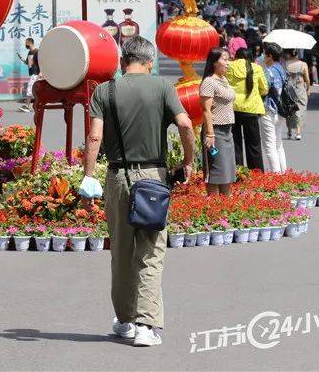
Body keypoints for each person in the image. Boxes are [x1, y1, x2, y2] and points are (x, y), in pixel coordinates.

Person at [82, 36, 195, 347]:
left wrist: (88, 177)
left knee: (120, 252)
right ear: (150, 62)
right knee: (150, 250)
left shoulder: (105, 91)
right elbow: (185, 125)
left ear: (123, 62)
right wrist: (188, 160)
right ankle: (146, 325)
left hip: (117, 176)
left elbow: (94, 138)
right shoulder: (162, 87)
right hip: (153, 178)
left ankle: (126, 321)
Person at [199, 48, 237, 195]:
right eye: (225, 59)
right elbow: (206, 110)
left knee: (227, 171)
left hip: (227, 130)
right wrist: (210, 133)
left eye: (229, 59)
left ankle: (226, 206)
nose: (228, 63)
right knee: (215, 172)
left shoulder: (224, 79)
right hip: (215, 131)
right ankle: (215, 208)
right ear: (214, 62)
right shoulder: (209, 82)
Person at [226, 47, 268, 170]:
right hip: (252, 109)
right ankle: (256, 175)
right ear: (250, 58)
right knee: (254, 144)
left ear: (236, 57)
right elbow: (264, 89)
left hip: (233, 109)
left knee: (235, 143)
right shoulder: (257, 68)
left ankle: (238, 173)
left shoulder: (230, 67)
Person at [261, 43, 287, 173]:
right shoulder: (282, 69)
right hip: (281, 110)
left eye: (264, 54)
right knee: (278, 144)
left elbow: (263, 89)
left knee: (269, 145)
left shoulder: (269, 71)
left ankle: (275, 177)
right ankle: (284, 173)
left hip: (269, 109)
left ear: (269, 56)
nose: (263, 56)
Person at [283, 49, 310, 140]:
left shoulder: (285, 64)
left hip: (289, 89)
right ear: (297, 54)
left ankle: (289, 131)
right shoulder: (303, 64)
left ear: (289, 54)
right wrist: (308, 88)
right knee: (300, 108)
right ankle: (298, 132)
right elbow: (307, 79)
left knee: (289, 109)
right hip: (300, 88)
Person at [17, 37, 40, 112]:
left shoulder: (37, 51)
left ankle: (27, 107)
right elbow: (27, 63)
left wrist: (41, 73)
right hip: (33, 73)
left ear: (30, 43)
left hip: (36, 73)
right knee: (37, 91)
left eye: (26, 43)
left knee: (30, 89)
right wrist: (20, 58)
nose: (25, 45)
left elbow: (41, 62)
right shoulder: (29, 53)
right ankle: (40, 106)